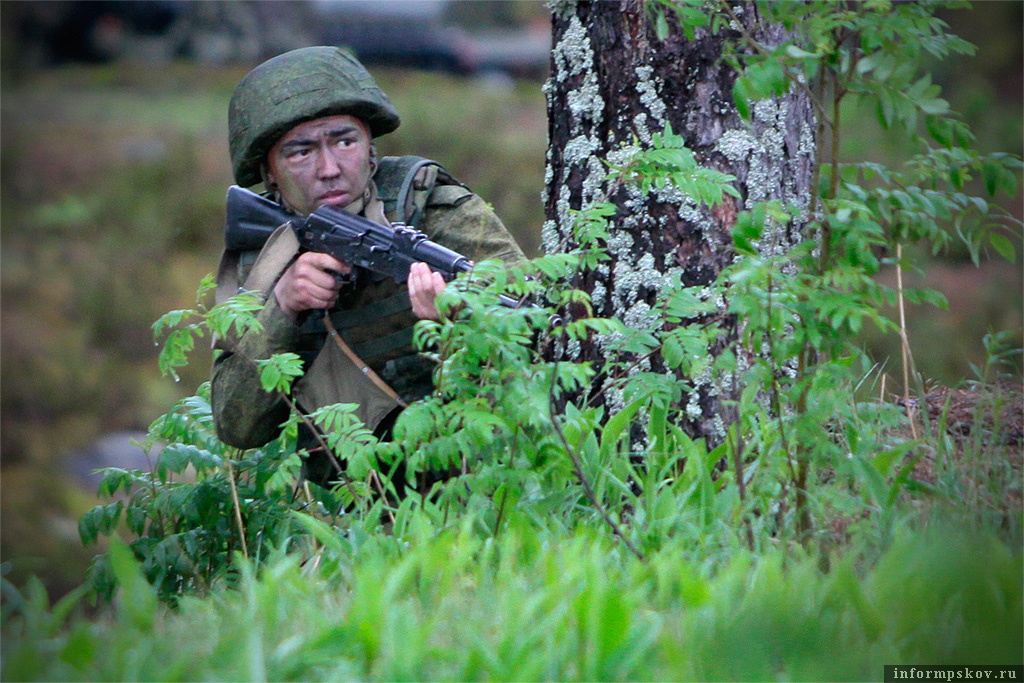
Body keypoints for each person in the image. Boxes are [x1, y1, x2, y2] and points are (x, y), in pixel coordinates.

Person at [210, 46, 526, 488]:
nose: (330, 168)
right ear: (270, 171)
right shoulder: (266, 250)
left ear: (370, 147)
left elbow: (541, 338)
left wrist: (457, 330)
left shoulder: (436, 210)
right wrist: (282, 305)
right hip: (353, 506)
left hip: (479, 484)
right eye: (301, 152)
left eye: (344, 141)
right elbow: (237, 428)